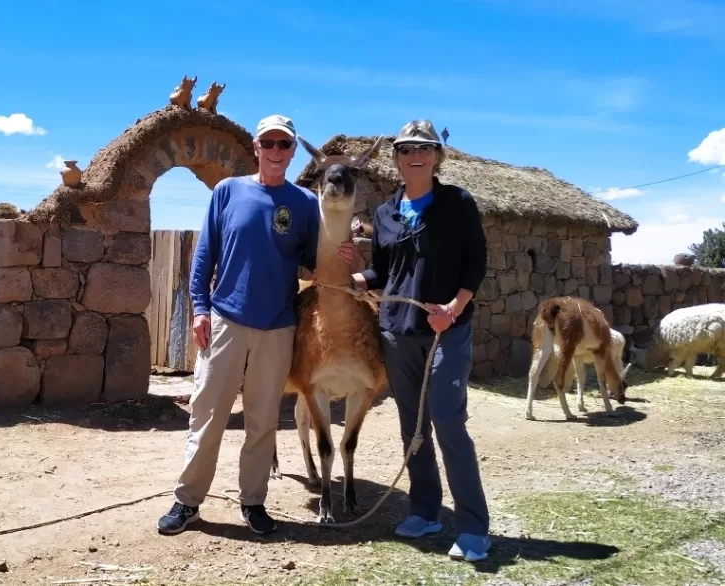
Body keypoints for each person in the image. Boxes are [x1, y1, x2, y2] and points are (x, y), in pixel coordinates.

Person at [157, 114, 320, 536]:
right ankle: (187, 501)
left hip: (278, 327)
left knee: (263, 420)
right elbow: (204, 255)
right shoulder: (228, 191)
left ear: (293, 150)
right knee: (206, 416)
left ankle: (254, 502)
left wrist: (346, 256)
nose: (276, 151)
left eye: (284, 145)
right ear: (256, 146)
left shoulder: (304, 203)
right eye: (269, 143)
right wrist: (200, 309)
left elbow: (313, 264)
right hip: (226, 321)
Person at [339, 119, 492, 561]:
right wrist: (356, 275)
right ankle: (425, 511)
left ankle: (473, 527)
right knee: (413, 428)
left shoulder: (457, 203)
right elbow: (384, 274)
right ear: (398, 159)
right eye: (406, 150)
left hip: (447, 330)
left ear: (437, 156)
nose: (415, 155)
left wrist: (454, 308)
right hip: (398, 332)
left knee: (447, 422)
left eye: (424, 148)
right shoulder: (386, 214)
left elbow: (475, 265)